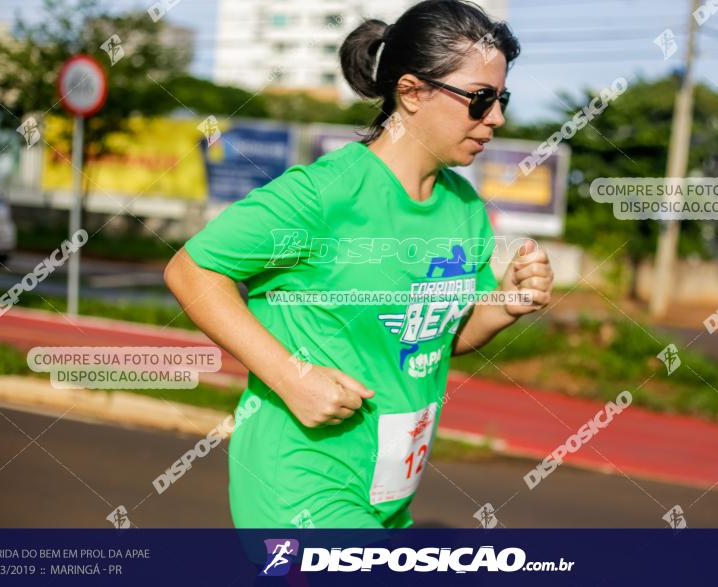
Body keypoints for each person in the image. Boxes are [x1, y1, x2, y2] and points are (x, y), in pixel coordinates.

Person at [163, 0, 553, 528]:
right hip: (300, 488)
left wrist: (506, 303)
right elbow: (192, 270)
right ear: (412, 92)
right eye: (480, 100)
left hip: (390, 500)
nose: (497, 118)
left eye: (501, 98)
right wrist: (291, 376)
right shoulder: (327, 194)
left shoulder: (465, 209)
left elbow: (438, 339)